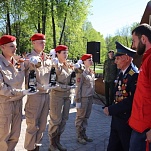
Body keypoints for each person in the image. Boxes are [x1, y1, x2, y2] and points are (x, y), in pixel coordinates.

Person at [103, 41, 138, 151]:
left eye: (117, 59)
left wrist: (112, 109)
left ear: (126, 58)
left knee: (125, 146)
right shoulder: (121, 72)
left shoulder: (134, 75)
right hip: (117, 118)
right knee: (112, 146)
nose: (115, 62)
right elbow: (117, 94)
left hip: (126, 121)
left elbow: (132, 100)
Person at [0, 35, 31, 151]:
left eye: (16, 46)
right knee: (3, 136)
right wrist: (20, 92)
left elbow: (33, 70)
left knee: (15, 135)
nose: (15, 49)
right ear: (2, 47)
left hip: (18, 103)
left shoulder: (19, 62)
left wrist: (36, 61)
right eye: (12, 46)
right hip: (4, 105)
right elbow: (1, 88)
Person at [24, 33, 53, 151]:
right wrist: (43, 87)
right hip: (35, 96)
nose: (43, 44)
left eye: (44, 42)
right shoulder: (30, 58)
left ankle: (37, 147)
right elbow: (29, 79)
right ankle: (30, 148)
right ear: (33, 43)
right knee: (32, 125)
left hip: (46, 95)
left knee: (42, 125)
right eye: (41, 42)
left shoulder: (48, 59)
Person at [48, 45, 76, 151]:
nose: (66, 55)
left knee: (64, 120)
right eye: (63, 53)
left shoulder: (67, 65)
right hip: (57, 96)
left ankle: (57, 141)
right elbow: (53, 83)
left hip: (67, 96)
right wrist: (67, 87)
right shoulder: (54, 65)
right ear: (57, 54)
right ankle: (52, 144)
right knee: (56, 120)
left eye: (66, 52)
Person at [129, 24, 151, 151]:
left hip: (145, 130)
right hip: (140, 125)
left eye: (134, 41)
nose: (133, 45)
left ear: (143, 39)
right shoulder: (146, 59)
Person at [75, 54, 95, 145]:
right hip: (83, 98)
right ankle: (79, 136)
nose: (91, 61)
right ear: (84, 61)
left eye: (91, 59)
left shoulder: (91, 71)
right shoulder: (81, 72)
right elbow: (78, 87)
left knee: (86, 117)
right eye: (89, 60)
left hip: (90, 97)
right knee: (80, 117)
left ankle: (84, 134)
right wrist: (77, 100)